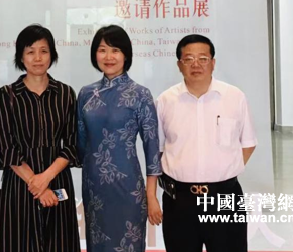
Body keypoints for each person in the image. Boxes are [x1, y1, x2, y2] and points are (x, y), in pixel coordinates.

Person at [156, 34, 257, 252]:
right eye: (188, 59)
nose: (196, 64)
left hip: (224, 197)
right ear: (179, 65)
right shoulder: (165, 101)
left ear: (213, 63)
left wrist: (223, 172)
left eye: (203, 58)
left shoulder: (234, 97)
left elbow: (248, 143)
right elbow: (158, 149)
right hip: (179, 200)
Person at [0, 24, 80, 252]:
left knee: (59, 244)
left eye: (44, 51)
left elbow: (72, 145)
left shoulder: (65, 94)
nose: (38, 58)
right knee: (19, 244)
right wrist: (38, 186)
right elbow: (8, 149)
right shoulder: (7, 95)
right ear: (21, 57)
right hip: (20, 184)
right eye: (30, 52)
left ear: (52, 54)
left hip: (58, 180)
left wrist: (46, 178)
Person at [77, 25, 162, 252]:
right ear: (95, 54)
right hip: (94, 188)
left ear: (126, 55)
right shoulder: (86, 94)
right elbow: (80, 145)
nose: (109, 57)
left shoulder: (140, 94)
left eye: (115, 50)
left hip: (128, 188)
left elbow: (152, 149)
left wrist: (151, 195)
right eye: (102, 50)